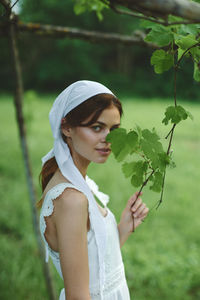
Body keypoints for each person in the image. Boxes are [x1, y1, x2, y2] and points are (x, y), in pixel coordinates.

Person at [38, 80, 149, 300]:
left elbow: (95, 265)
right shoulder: (71, 200)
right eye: (96, 127)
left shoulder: (79, 183)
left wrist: (124, 227)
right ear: (66, 127)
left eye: (114, 129)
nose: (108, 139)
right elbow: (79, 295)